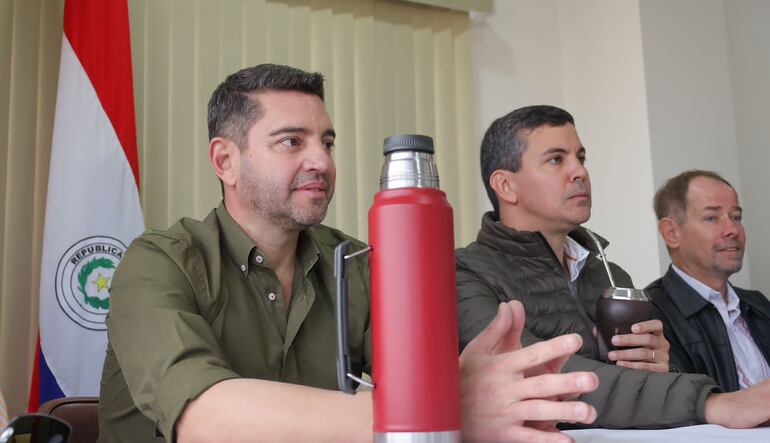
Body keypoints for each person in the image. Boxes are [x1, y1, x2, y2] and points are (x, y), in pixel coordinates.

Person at [98, 65, 601, 443]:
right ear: (225, 160)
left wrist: (465, 377)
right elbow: (202, 416)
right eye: (292, 142)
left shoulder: (355, 260)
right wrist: (439, 408)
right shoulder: (157, 263)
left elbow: (413, 380)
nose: (321, 161)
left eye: (328, 142)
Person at [455, 104, 770, 429]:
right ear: (506, 186)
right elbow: (543, 376)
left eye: (581, 157)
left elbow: (650, 384)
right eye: (556, 159)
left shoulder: (612, 275)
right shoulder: (464, 274)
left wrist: (663, 364)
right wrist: (713, 402)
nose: (579, 172)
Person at [647, 170, 770, 392]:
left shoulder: (758, 305)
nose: (732, 230)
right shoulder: (650, 315)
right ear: (671, 233)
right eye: (712, 218)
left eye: (736, 217)